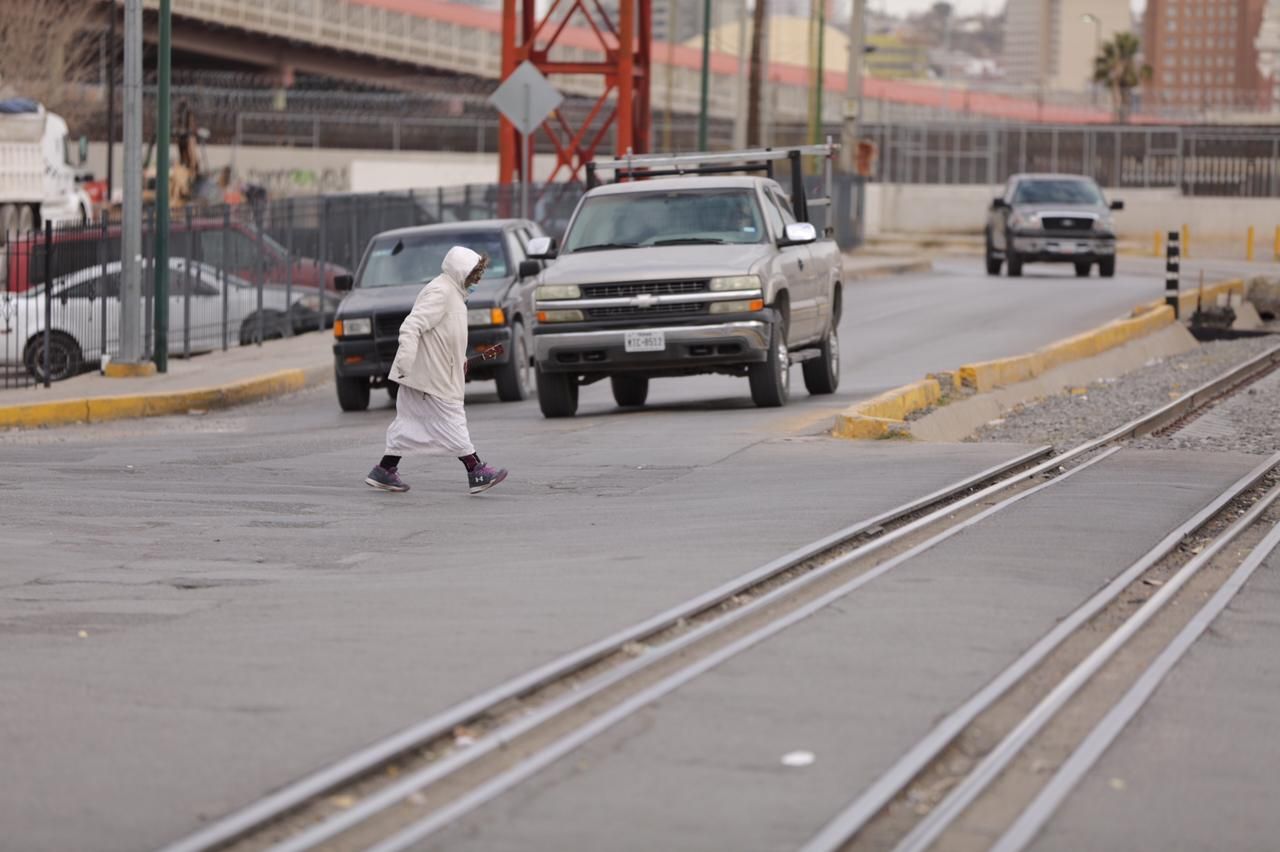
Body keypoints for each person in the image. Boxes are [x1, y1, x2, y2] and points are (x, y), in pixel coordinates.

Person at [365, 246, 508, 495]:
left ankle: (385, 470)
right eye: (474, 274)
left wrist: (459, 357)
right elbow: (412, 326)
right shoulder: (441, 292)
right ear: (461, 272)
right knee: (452, 419)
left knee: (407, 423)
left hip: (428, 373)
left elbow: (445, 333)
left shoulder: (454, 293)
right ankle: (475, 470)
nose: (477, 280)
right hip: (428, 375)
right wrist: (406, 362)